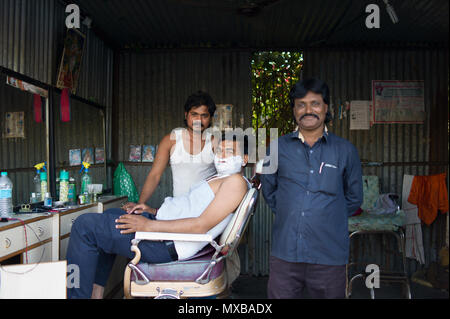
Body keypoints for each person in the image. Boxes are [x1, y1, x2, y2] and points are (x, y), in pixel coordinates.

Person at [66, 134, 250, 299]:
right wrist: (151, 211)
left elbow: (200, 225)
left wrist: (147, 225)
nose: (221, 156)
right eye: (219, 151)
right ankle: (96, 293)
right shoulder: (222, 178)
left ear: (244, 159)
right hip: (162, 229)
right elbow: (190, 210)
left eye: (229, 151)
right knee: (113, 214)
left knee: (85, 226)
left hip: (164, 243)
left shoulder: (235, 182)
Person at [260, 78, 363, 299]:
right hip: (286, 253)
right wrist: (292, 211)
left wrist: (326, 215)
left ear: (326, 108)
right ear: (294, 110)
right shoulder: (276, 148)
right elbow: (269, 191)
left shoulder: (346, 151)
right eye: (301, 104)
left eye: (315, 103)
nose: (308, 110)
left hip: (329, 254)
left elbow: (354, 198)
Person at [122, 90, 217, 213]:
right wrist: (140, 204)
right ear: (186, 115)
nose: (199, 120)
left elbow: (226, 177)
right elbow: (155, 175)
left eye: (204, 115)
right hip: (179, 208)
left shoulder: (215, 143)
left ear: (210, 118)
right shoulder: (171, 140)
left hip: (207, 209)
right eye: (194, 114)